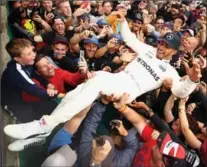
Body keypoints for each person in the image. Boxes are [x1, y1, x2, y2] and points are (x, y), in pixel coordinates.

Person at [4, 13, 201, 142]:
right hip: (118, 78)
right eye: (160, 42)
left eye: (165, 46)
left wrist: (191, 80)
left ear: (172, 51)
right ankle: (46, 127)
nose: (160, 46)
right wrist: (123, 21)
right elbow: (130, 39)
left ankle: (44, 125)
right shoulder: (148, 50)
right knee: (85, 87)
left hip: (128, 90)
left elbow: (178, 91)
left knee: (96, 81)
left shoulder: (171, 72)